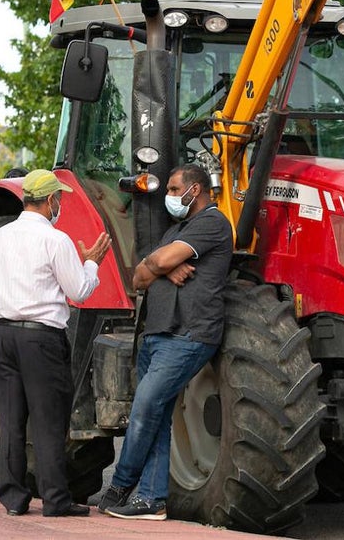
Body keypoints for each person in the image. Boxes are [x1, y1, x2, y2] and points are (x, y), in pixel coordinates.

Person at [99, 163, 233, 521]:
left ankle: (121, 485)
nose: (170, 197)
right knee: (156, 416)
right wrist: (164, 266)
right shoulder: (177, 229)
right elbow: (139, 276)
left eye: (174, 189)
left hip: (186, 335)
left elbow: (156, 261)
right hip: (157, 334)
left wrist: (160, 262)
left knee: (144, 408)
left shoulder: (212, 223)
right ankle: (151, 499)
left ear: (196, 190)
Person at [0, 168, 111, 518]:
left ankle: (13, 497)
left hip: (5, 333)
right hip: (41, 337)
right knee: (48, 420)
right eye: (60, 200)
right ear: (52, 200)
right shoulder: (55, 240)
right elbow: (79, 291)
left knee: (11, 419)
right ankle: (55, 500)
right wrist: (92, 263)